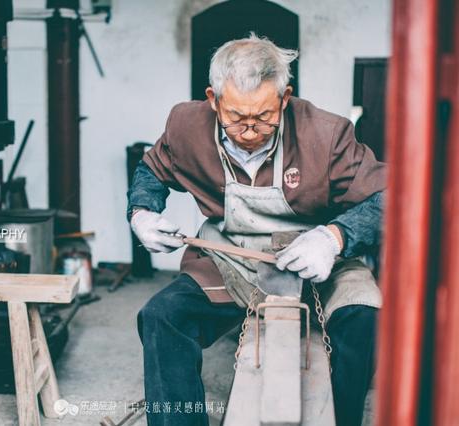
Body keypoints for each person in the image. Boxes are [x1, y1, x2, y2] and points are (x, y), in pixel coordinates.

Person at [127, 34, 385, 426]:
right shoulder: (186, 125)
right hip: (232, 260)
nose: (249, 130)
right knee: (162, 317)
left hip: (315, 260)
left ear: (285, 99)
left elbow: (390, 198)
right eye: (235, 117)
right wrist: (142, 213)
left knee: (362, 316)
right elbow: (152, 169)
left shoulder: (327, 134)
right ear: (213, 99)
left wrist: (333, 238)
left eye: (264, 117)